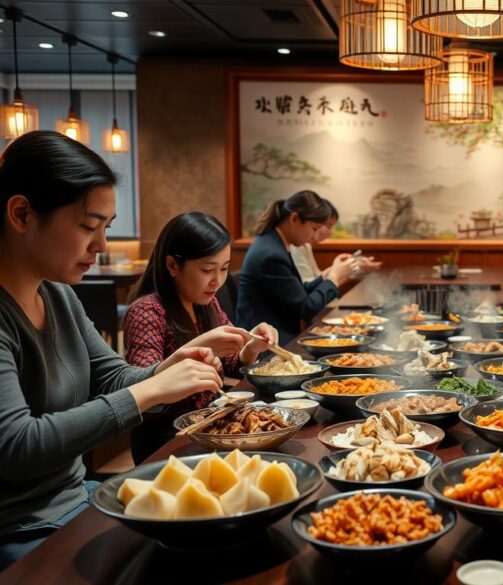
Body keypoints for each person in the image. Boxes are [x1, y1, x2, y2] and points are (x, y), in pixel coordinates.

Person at [0, 131, 222, 568]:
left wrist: (167, 369)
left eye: (106, 228)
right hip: (21, 527)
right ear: (22, 214)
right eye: (88, 226)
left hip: (75, 499)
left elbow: (114, 377)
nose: (101, 247)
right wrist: (150, 391)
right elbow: (17, 446)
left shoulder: (58, 295)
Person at [123, 211, 278, 463]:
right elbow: (143, 391)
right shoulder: (147, 311)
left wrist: (251, 348)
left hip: (208, 427)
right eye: (207, 269)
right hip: (167, 440)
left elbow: (232, 365)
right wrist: (200, 346)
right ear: (172, 265)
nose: (217, 280)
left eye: (225, 268)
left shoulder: (206, 303)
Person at [235, 191, 361, 343]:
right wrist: (334, 279)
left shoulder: (275, 243)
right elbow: (305, 309)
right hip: (263, 343)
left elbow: (299, 293)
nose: (313, 237)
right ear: (294, 218)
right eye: (314, 229)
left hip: (276, 335)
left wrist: (326, 276)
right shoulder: (271, 255)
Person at [289, 199, 380, 283]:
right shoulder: (295, 246)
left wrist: (353, 264)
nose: (331, 232)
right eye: (329, 226)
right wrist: (340, 269)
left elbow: (318, 277)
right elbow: (308, 285)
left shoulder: (306, 245)